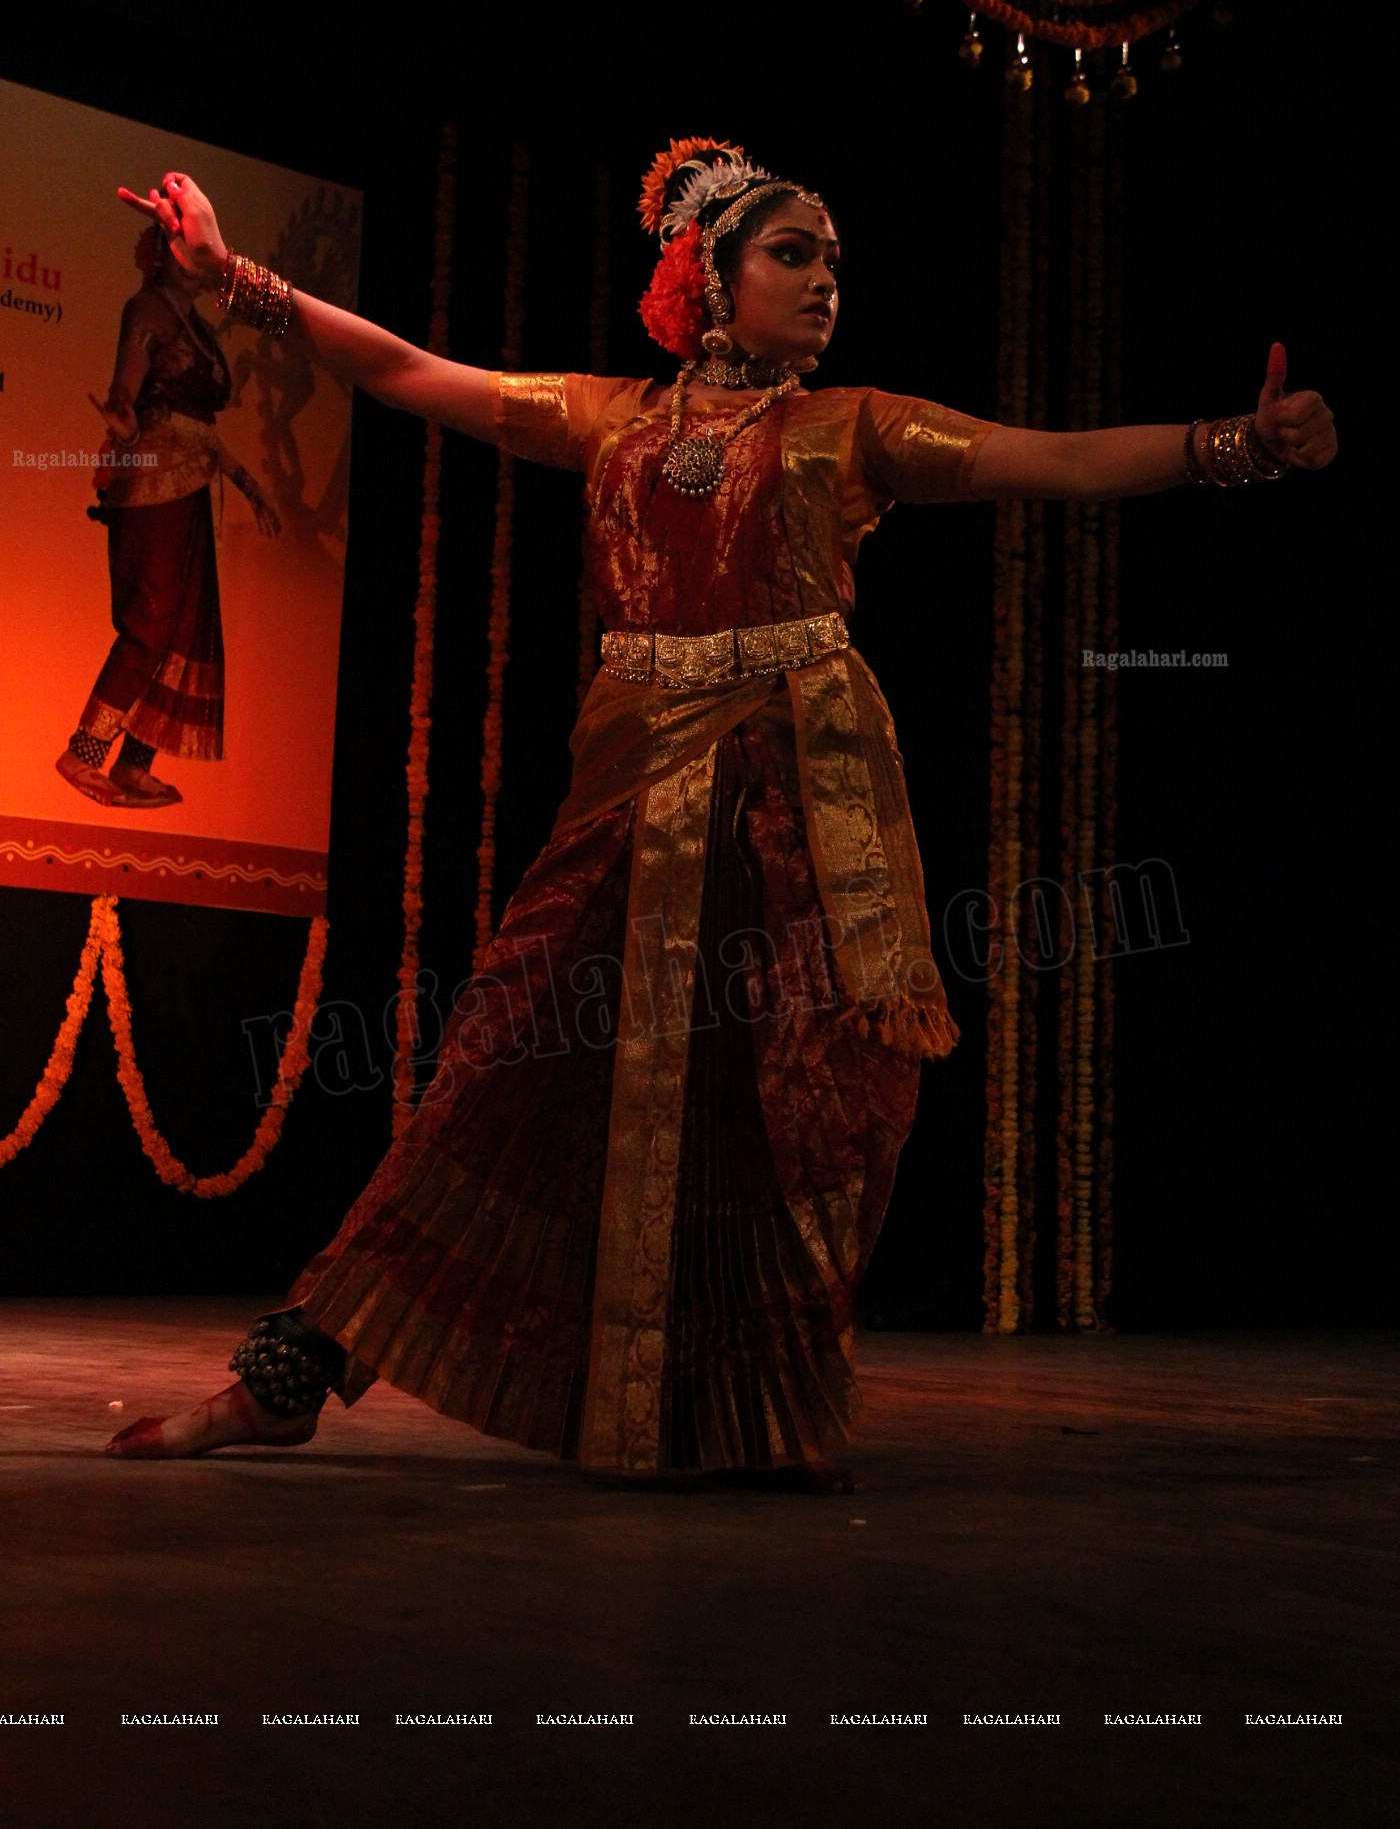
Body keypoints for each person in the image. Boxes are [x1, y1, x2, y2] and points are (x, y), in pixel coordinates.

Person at [105, 145, 1337, 1489]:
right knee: (495, 1082)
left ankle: (729, 1402)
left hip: (790, 824)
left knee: (788, 1107)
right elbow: (408, 371)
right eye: (793, 256)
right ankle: (292, 1374)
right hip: (626, 809)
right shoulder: (611, 421)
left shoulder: (850, 428)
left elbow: (1051, 463)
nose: (824, 286)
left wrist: (1229, 448)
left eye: (834, 265)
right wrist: (237, 282)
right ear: (708, 281)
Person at [56, 224, 280, 812]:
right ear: (158, 255)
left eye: (194, 250)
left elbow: (202, 433)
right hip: (149, 488)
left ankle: (134, 764)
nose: (187, 260)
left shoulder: (200, 330)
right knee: (150, 623)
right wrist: (122, 423)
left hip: (190, 489)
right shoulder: (146, 310)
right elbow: (125, 394)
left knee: (184, 631)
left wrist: (249, 484)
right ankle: (82, 754)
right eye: (175, 248)